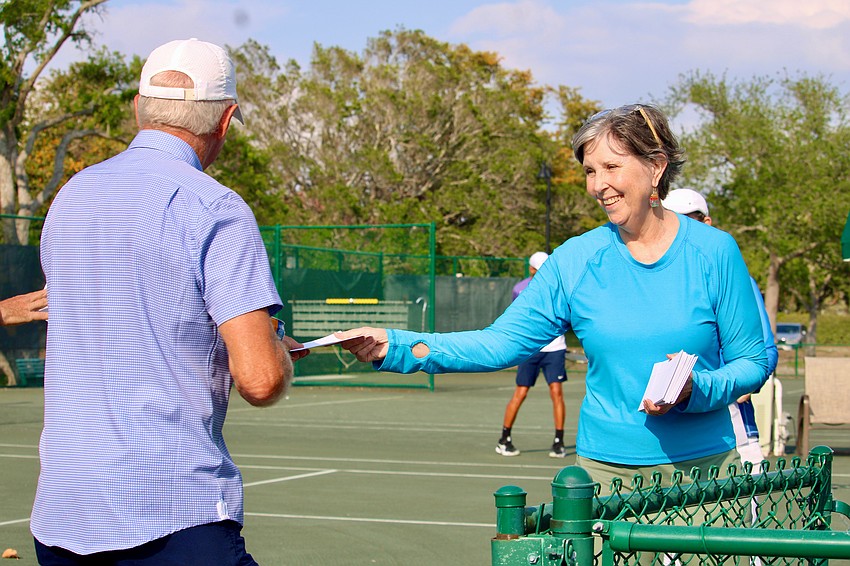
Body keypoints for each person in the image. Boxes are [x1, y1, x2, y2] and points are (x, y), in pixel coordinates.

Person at [337, 104, 768, 489]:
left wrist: (698, 389)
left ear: (655, 167)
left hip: (706, 474)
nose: (598, 185)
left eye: (611, 167)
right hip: (604, 477)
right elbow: (499, 343)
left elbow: (755, 360)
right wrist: (390, 345)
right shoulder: (575, 260)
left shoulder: (715, 251)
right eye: (589, 171)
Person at [34, 38, 305, 564]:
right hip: (173, 514)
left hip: (63, 515)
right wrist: (271, 349)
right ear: (225, 122)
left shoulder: (70, 196)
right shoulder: (217, 207)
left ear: (138, 108)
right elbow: (261, 381)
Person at [663, 188, 779, 465]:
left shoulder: (734, 276)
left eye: (690, 220)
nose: (681, 230)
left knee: (737, 505)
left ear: (707, 223)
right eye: (673, 221)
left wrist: (743, 381)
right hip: (665, 433)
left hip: (730, 423)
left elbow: (765, 350)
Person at [497, 251, 568, 458]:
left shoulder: (560, 287)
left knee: (556, 392)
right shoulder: (519, 289)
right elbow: (516, 319)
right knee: (521, 392)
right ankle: (504, 438)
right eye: (539, 269)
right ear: (531, 269)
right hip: (530, 349)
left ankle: (558, 441)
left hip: (555, 348)